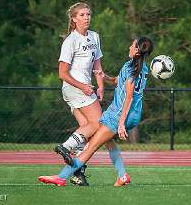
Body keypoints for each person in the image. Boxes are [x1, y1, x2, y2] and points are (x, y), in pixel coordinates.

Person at [38, 36, 153, 187]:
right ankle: (122, 175)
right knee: (109, 142)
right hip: (134, 115)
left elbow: (129, 97)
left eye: (132, 45)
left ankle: (61, 177)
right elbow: (118, 81)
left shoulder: (130, 68)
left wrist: (121, 123)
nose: (129, 48)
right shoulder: (142, 68)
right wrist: (104, 77)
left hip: (119, 114)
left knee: (91, 146)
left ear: (137, 51)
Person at [55, 2, 128, 186]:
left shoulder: (94, 37)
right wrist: (83, 86)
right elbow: (62, 73)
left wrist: (100, 86)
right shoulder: (70, 41)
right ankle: (66, 147)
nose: (86, 17)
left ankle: (77, 172)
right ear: (73, 19)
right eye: (82, 15)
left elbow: (97, 67)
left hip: (83, 89)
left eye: (88, 14)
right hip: (75, 88)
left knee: (88, 130)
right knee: (99, 124)